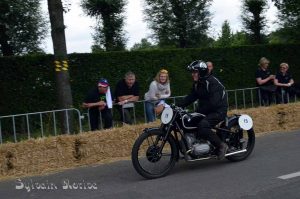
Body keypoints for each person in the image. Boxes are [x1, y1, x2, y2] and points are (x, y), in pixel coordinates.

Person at [178, 60, 228, 160]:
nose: (193, 74)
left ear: (201, 72)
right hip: (206, 110)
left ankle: (221, 145)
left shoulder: (212, 82)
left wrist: (199, 111)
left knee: (203, 125)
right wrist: (177, 105)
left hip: (218, 110)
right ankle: (196, 145)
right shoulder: (198, 83)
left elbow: (214, 103)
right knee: (188, 120)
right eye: (192, 72)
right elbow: (191, 97)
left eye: (195, 72)